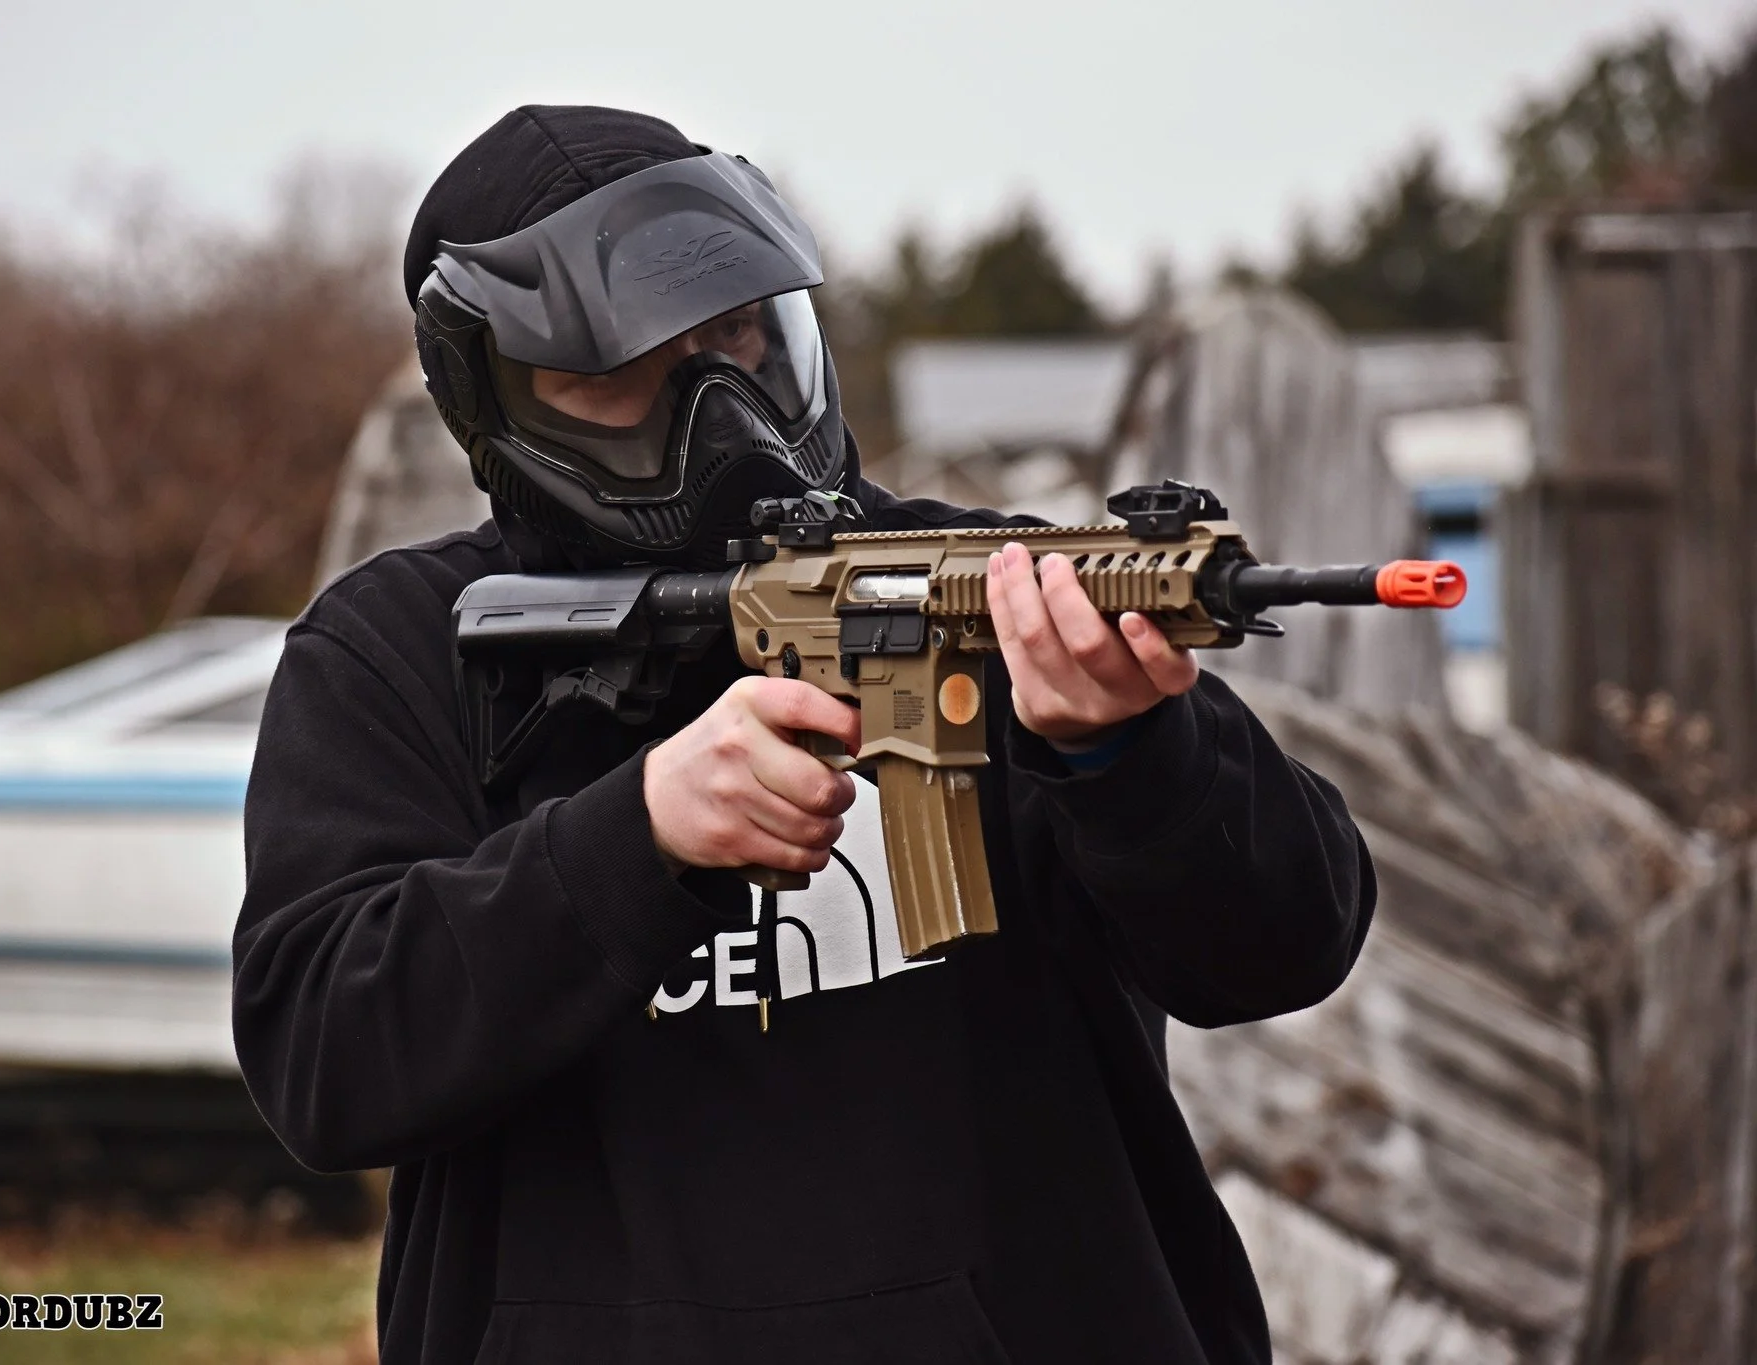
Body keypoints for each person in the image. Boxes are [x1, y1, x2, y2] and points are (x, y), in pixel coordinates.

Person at [233, 105, 1375, 1365]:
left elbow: (1291, 944)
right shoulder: (405, 650)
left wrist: (1131, 756)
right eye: (619, 379)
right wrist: (638, 838)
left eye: (733, 341)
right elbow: (324, 1063)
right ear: (495, 402)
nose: (722, 415)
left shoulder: (989, 586)